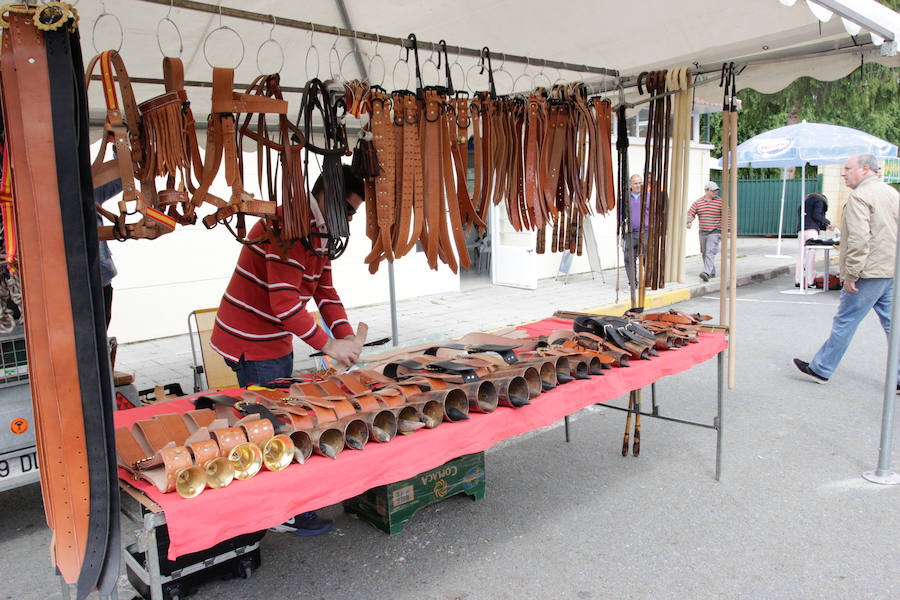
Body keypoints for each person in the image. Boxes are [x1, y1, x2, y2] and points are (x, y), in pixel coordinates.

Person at [210, 164, 366, 535]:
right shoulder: (287, 227)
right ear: (325, 195)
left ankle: (281, 500)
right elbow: (285, 305)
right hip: (250, 337)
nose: (348, 219)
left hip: (273, 336)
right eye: (345, 209)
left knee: (278, 412)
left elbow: (324, 290)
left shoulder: (324, 231)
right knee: (271, 423)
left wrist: (345, 337)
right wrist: (329, 345)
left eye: (353, 214)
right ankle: (281, 512)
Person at [793, 154, 899, 386]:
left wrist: (851, 274)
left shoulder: (860, 197)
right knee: (893, 324)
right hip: (890, 270)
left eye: (848, 169)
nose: (844, 173)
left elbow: (859, 240)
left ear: (865, 169)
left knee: (846, 321)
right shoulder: (892, 194)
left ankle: (821, 368)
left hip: (868, 273)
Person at [686, 181, 723, 282]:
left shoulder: (720, 202)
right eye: (713, 191)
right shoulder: (698, 202)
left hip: (715, 231)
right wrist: (689, 221)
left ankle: (706, 272)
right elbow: (690, 213)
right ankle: (711, 271)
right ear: (706, 191)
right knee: (704, 253)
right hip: (703, 232)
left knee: (710, 252)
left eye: (716, 191)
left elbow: (728, 215)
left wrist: (728, 230)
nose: (716, 192)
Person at [795, 192, 833, 288]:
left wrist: (824, 226)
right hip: (811, 231)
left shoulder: (805, 202)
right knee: (810, 256)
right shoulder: (819, 201)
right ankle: (809, 281)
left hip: (801, 230)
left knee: (801, 256)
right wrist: (828, 223)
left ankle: (798, 280)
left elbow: (810, 216)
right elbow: (816, 216)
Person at [622, 174, 650, 288]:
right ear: (630, 185)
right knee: (629, 258)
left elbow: (655, 214)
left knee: (647, 258)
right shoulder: (625, 197)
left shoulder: (649, 196)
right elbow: (620, 214)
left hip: (646, 232)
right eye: (635, 183)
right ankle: (633, 283)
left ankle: (648, 281)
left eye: (640, 183)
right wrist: (623, 225)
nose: (638, 185)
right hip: (630, 233)